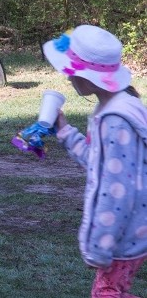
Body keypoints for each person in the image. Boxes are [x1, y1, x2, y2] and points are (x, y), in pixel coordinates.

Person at [45, 25, 147, 297]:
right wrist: (65, 131)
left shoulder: (115, 120)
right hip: (132, 231)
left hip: (122, 238)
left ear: (88, 78)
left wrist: (100, 247)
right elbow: (99, 163)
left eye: (71, 72)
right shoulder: (118, 105)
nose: (67, 77)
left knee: (106, 293)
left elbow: (116, 190)